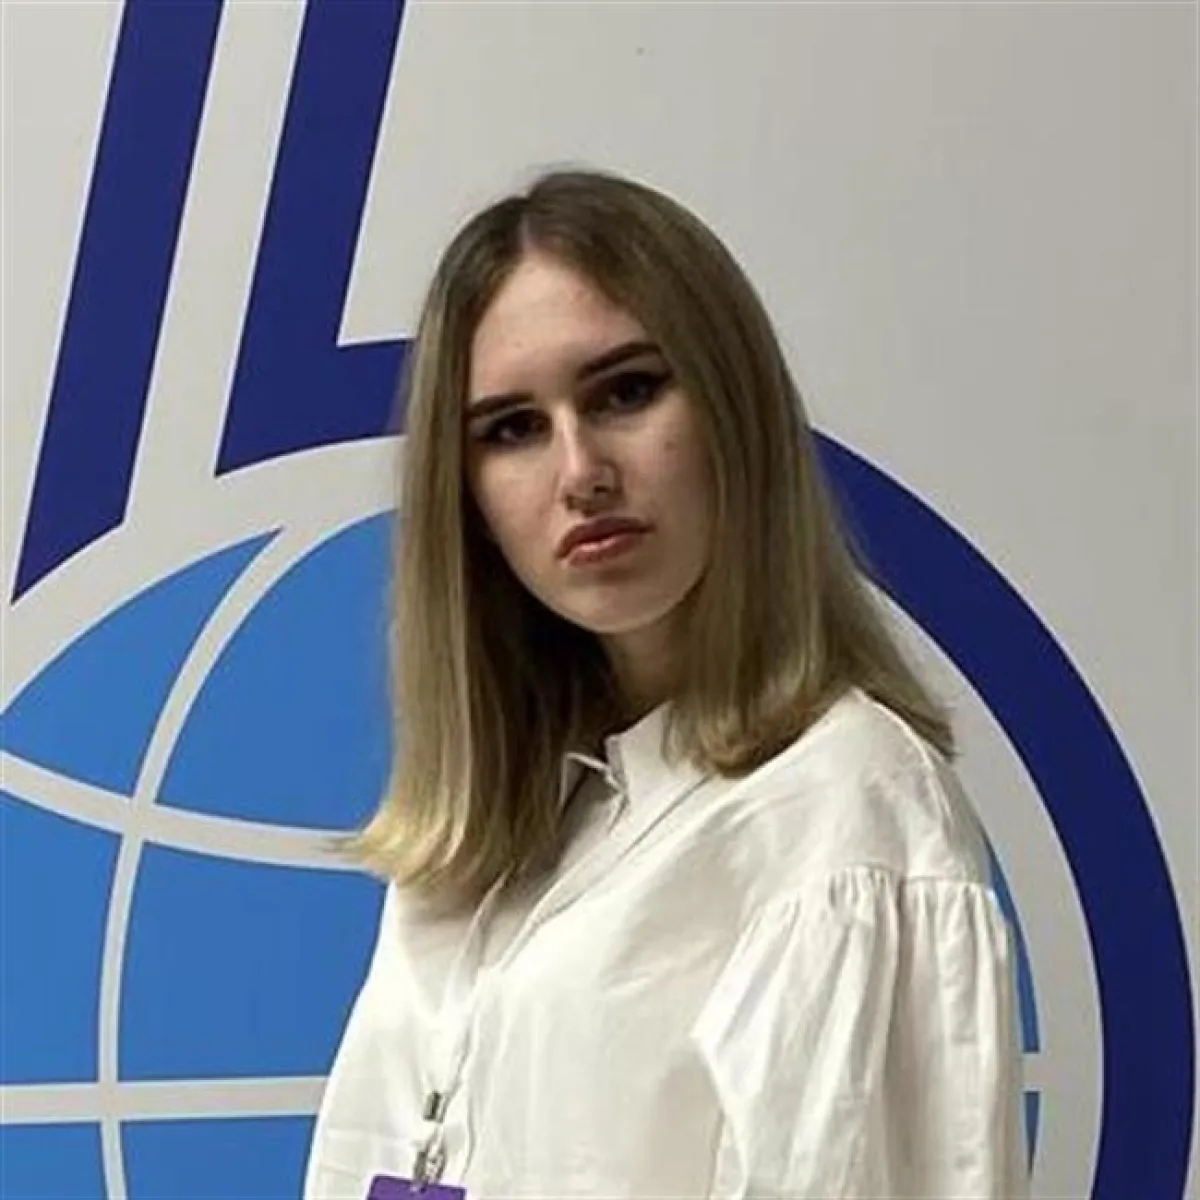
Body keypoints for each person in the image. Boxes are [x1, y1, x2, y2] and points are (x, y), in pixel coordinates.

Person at [303, 167, 1028, 1199]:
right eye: (512, 428)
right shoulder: (494, 833)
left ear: (735, 411)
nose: (580, 471)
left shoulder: (842, 811)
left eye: (626, 392)